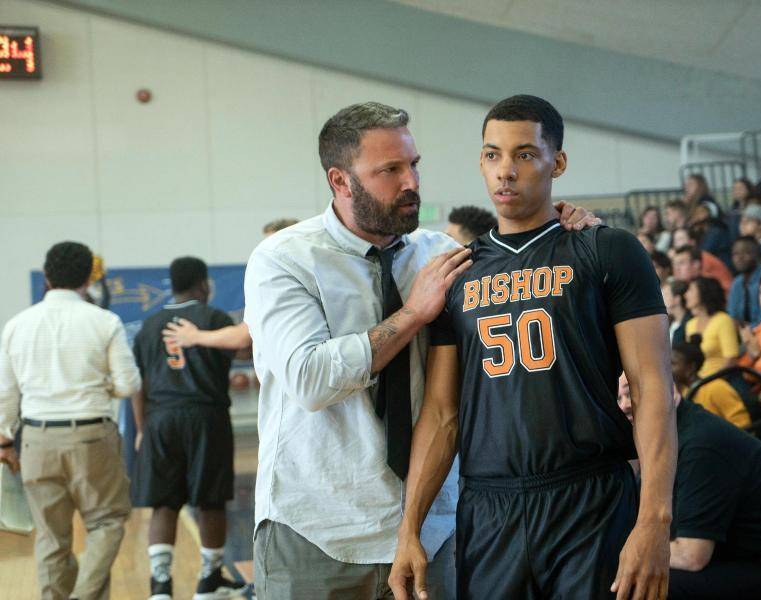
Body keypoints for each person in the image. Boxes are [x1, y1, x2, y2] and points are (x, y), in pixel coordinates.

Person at [242, 100, 600, 599]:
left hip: (432, 528)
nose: (410, 181)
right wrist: (412, 314)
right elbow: (310, 380)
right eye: (390, 170)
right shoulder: (284, 260)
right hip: (316, 530)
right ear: (341, 180)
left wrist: (565, 230)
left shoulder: (444, 256)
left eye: (413, 164)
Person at [389, 95, 676, 600]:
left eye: (524, 154)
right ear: (480, 162)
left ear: (557, 162)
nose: (506, 170)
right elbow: (440, 412)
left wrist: (654, 518)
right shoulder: (457, 274)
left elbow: (652, 386)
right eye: (493, 154)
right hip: (489, 506)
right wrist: (408, 528)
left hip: (589, 498)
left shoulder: (605, 249)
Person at [0, 241, 140, 600]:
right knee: (106, 523)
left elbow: (6, 396)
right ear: (88, 279)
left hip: (36, 440)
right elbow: (129, 384)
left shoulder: (16, 325)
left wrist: (5, 441)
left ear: (46, 277)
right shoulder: (104, 321)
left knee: (51, 537)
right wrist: (102, 385)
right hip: (92, 435)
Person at [131, 257, 246, 600]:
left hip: (160, 419)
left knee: (163, 504)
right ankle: (209, 581)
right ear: (203, 284)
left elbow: (138, 382)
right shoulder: (214, 319)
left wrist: (141, 428)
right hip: (205, 416)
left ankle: (160, 587)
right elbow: (245, 351)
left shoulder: (149, 325)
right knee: (210, 501)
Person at [667, 388, 761, 598]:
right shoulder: (674, 434)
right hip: (746, 556)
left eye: (631, 393)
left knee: (649, 583)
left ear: (670, 389)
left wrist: (626, 555)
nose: (625, 405)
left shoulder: (700, 443)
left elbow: (691, 556)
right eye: (618, 397)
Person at [162, 219, 299, 352]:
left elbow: (242, 338)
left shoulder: (283, 287)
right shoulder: (284, 283)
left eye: (270, 246)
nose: (263, 254)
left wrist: (194, 337)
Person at [671, 340, 750, 428]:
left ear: (691, 367)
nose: (668, 369)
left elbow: (742, 422)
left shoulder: (716, 387)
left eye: (673, 364)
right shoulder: (685, 393)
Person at [684, 277, 739, 379]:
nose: (685, 295)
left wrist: (709, 382)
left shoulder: (723, 320)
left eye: (690, 290)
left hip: (720, 380)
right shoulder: (690, 324)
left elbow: (731, 360)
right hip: (697, 382)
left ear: (703, 292)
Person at [727, 236, 761, 325]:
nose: (739, 258)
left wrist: (748, 329)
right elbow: (732, 315)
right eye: (735, 254)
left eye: (746, 253)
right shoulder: (736, 283)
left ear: (756, 255)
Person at [664, 279, 690, 345]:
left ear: (677, 299)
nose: (663, 299)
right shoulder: (668, 323)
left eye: (666, 295)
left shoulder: (689, 323)